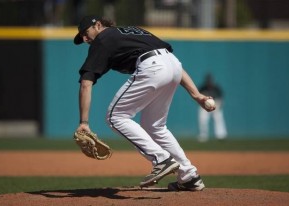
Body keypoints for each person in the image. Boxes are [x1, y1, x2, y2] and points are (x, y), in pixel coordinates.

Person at [74, 15, 216, 191]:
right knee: (155, 126)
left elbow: (86, 83)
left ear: (98, 25)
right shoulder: (132, 32)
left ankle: (161, 159)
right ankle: (189, 177)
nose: (85, 39)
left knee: (115, 116)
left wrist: (84, 123)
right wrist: (196, 94)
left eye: (85, 33)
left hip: (153, 67)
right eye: (82, 37)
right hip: (173, 65)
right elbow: (169, 61)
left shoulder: (103, 39)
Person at [198, 73, 227, 142]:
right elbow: (198, 97)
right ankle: (203, 136)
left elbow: (221, 98)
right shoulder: (203, 87)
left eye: (210, 81)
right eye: (208, 81)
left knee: (218, 119)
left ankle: (221, 135)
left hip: (216, 104)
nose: (209, 82)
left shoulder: (216, 88)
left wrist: (219, 105)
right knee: (203, 119)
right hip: (205, 105)